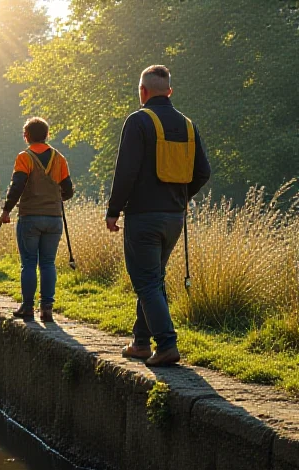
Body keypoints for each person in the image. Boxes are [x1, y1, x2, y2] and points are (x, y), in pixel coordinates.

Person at [106, 65, 211, 367]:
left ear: (142, 92)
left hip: (143, 218)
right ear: (169, 92)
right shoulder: (188, 125)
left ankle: (166, 344)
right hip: (173, 218)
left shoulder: (138, 121)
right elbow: (203, 172)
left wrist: (113, 211)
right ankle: (140, 343)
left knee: (147, 282)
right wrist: (179, 196)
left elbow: (126, 171)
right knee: (153, 279)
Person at [0, 117, 74, 322]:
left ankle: (27, 306)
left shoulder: (24, 157)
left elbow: (17, 186)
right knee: (48, 263)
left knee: (29, 263)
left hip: (30, 217)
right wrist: (55, 198)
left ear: (27, 136)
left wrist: (6, 210)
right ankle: (47, 309)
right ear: (47, 135)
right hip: (54, 218)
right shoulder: (60, 159)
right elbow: (68, 189)